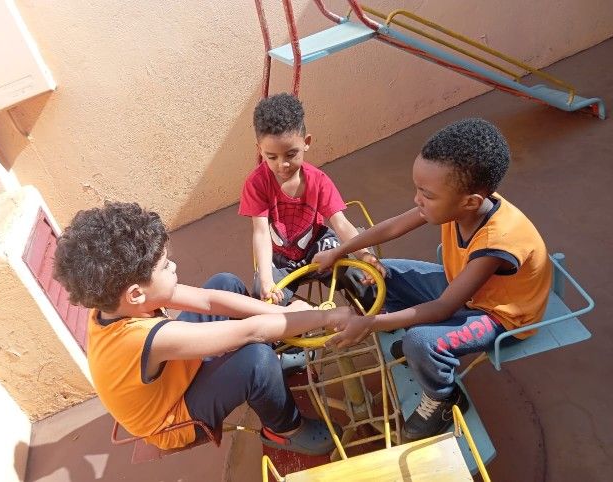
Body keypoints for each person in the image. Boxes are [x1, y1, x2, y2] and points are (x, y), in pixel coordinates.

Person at [53, 201, 367, 455]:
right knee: (256, 360)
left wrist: (282, 313)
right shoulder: (139, 339)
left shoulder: (117, 300)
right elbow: (251, 332)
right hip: (173, 417)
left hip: (173, 373)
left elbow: (209, 299)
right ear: (136, 293)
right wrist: (323, 317)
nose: (174, 266)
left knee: (224, 283)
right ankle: (284, 429)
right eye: (165, 266)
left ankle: (276, 365)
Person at [312, 118, 552, 442]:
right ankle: (415, 341)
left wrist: (370, 324)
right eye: (417, 189)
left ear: (469, 201)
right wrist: (339, 251)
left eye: (426, 194)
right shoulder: (461, 202)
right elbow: (393, 226)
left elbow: (443, 307)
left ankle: (443, 398)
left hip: (500, 315)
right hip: (464, 288)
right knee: (380, 274)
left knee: (421, 341)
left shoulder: (497, 241)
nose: (417, 200)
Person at [239, 93, 384, 308]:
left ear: (306, 143)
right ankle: (293, 329)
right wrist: (267, 279)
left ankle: (375, 315)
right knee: (264, 296)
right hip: (280, 258)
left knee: (358, 271)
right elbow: (261, 232)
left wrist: (364, 255)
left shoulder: (319, 180)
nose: (282, 164)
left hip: (318, 245)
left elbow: (341, 223)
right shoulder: (256, 183)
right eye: (272, 157)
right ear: (260, 150)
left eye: (291, 154)